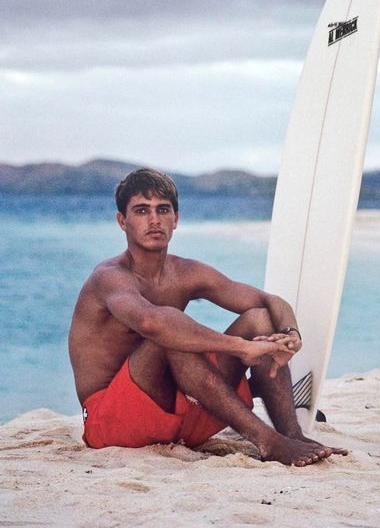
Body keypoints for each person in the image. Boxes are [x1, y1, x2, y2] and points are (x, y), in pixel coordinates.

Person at [69, 168, 347, 466]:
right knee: (171, 332)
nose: (154, 220)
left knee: (259, 320)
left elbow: (270, 301)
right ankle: (268, 442)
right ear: (122, 221)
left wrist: (291, 334)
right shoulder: (109, 278)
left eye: (163, 210)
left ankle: (292, 434)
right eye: (141, 211)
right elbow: (153, 323)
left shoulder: (186, 273)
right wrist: (240, 348)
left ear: (176, 219)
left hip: (181, 419)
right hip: (111, 423)